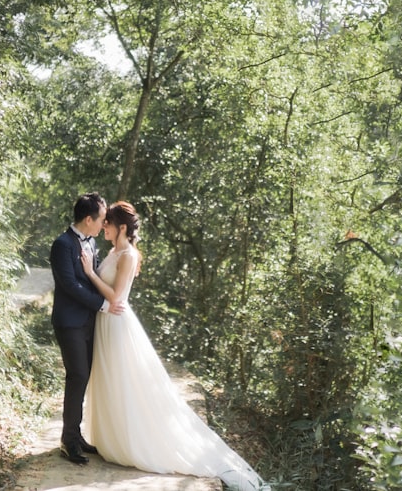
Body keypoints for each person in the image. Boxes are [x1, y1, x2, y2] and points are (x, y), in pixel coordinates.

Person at [80, 201, 264, 491]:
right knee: (110, 380)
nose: (104, 227)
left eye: (108, 223)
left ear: (122, 228)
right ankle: (111, 437)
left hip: (117, 323)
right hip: (105, 323)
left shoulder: (128, 254)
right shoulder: (114, 251)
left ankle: (132, 441)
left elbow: (117, 298)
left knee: (124, 381)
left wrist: (90, 274)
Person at [49, 192, 124, 465]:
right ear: (88, 219)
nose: (105, 224)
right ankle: (68, 440)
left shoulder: (92, 242)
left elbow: (95, 278)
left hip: (89, 322)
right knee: (77, 376)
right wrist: (103, 304)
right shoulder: (62, 244)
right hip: (69, 322)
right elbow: (70, 285)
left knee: (84, 377)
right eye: (102, 219)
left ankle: (75, 434)